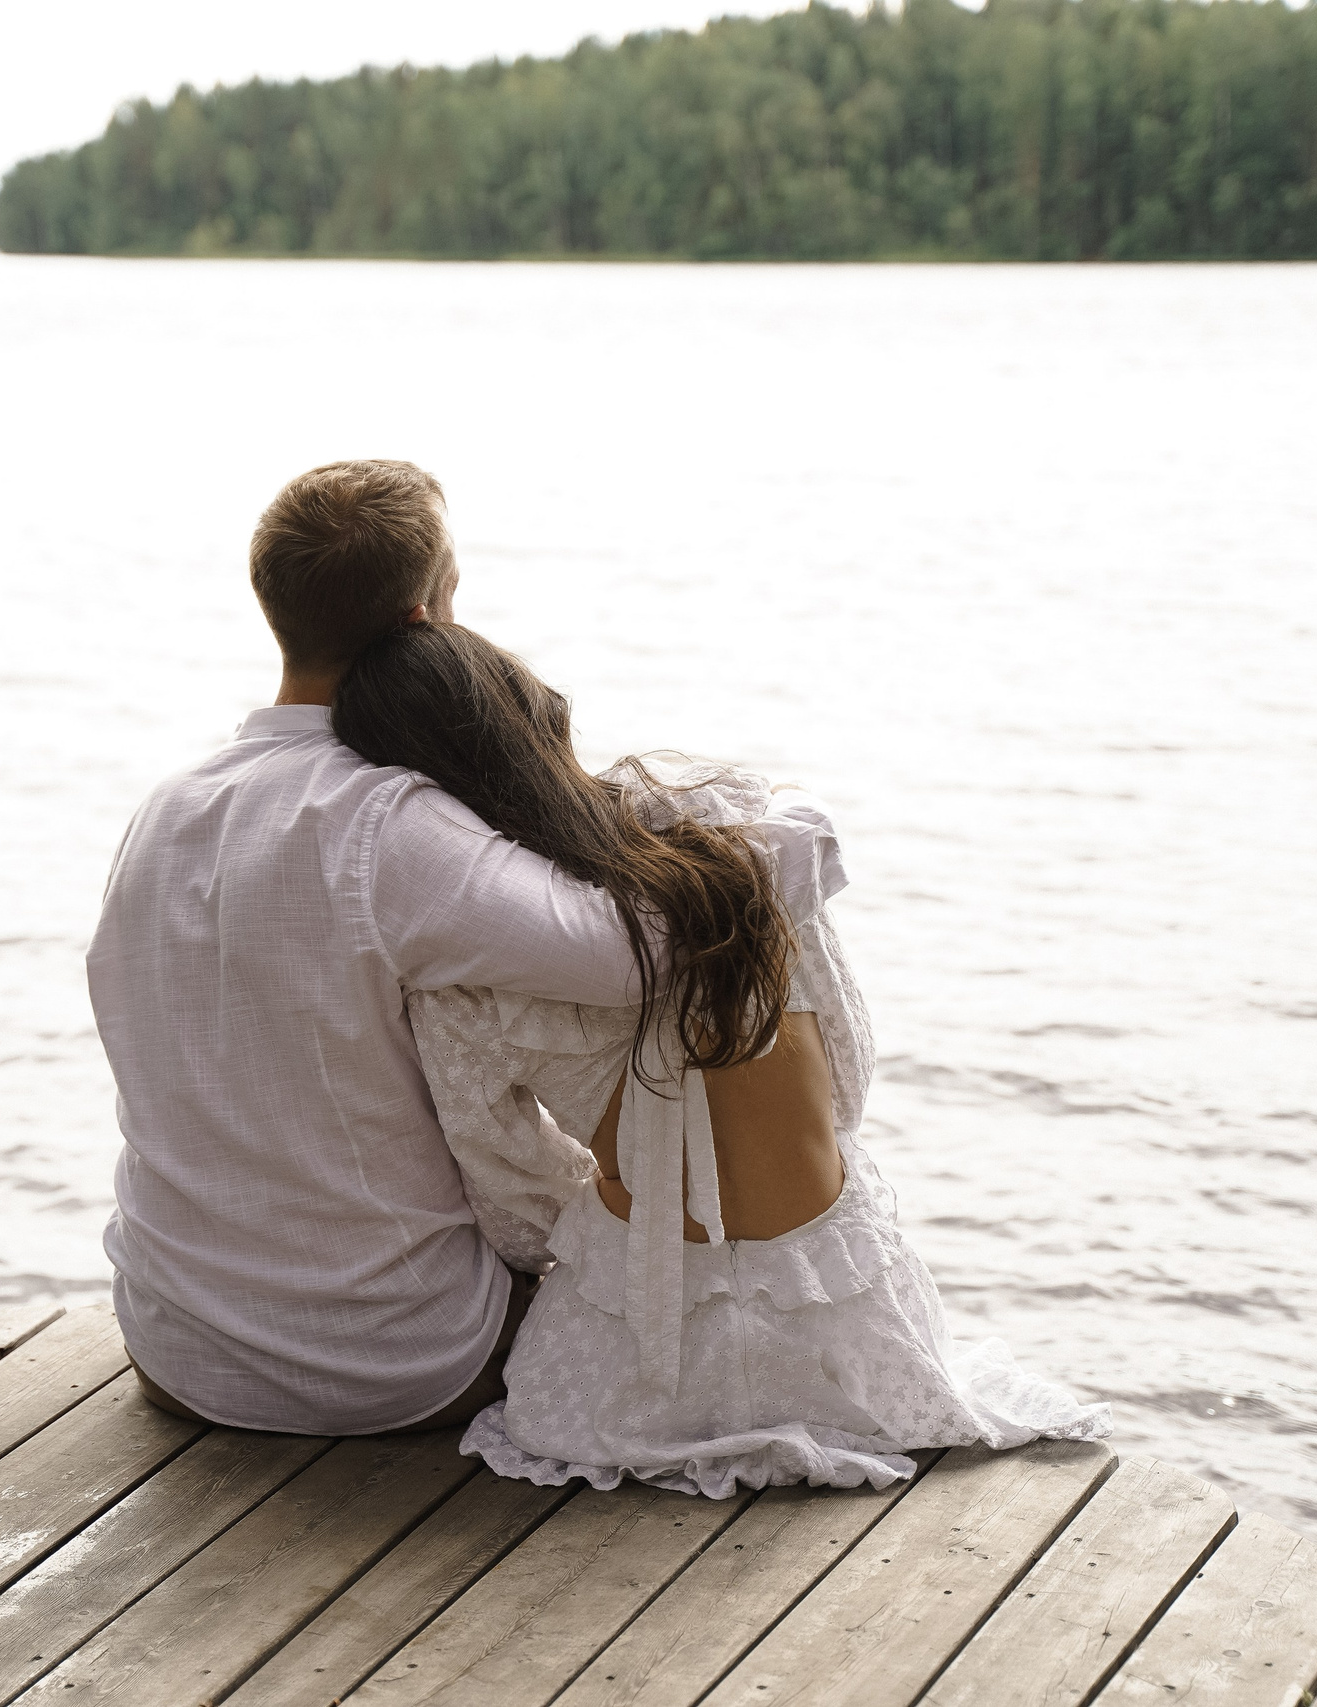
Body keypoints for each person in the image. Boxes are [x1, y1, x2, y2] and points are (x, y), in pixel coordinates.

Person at [86, 461, 846, 1436]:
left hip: (178, 1350)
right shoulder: (384, 827)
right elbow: (639, 955)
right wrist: (780, 830)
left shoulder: (166, 810)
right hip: (389, 1363)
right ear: (427, 613)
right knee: (658, 1305)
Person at [333, 622, 1110, 1493]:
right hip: (849, 1332)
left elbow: (509, 1191)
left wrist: (613, 1203)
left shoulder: (461, 965)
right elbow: (845, 1072)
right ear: (534, 712)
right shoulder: (729, 825)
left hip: (636, 1372)